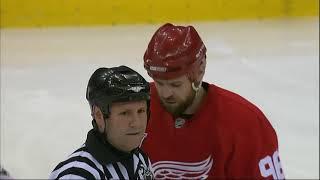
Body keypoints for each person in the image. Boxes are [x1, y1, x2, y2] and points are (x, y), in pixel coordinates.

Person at [141, 23, 285, 179]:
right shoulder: (135, 109)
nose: (165, 93)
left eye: (175, 84)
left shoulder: (245, 124)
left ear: (200, 70)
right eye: (159, 83)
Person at [49, 66, 154, 179]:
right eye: (125, 113)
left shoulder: (139, 159)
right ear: (99, 116)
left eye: (141, 111)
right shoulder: (78, 175)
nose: (136, 123)